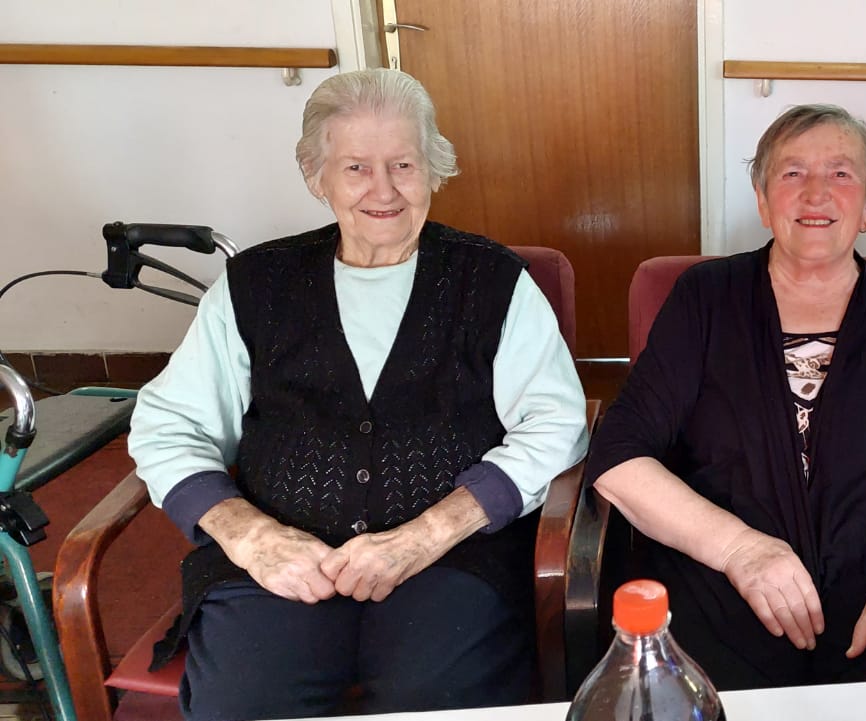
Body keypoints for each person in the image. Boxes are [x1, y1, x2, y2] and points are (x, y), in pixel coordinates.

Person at [128, 68, 589, 720]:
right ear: (317, 176)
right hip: (279, 564)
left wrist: (426, 534)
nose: (384, 189)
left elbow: (557, 423)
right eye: (355, 168)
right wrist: (251, 536)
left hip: (451, 562)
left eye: (403, 164)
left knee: (438, 703)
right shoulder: (256, 284)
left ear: (434, 170)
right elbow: (169, 424)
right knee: (247, 702)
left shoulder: (492, 281)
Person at [585, 104, 866, 690]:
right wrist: (741, 551)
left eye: (841, 173)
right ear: (762, 200)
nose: (816, 193)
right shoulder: (705, 298)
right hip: (720, 596)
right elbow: (619, 456)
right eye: (792, 173)